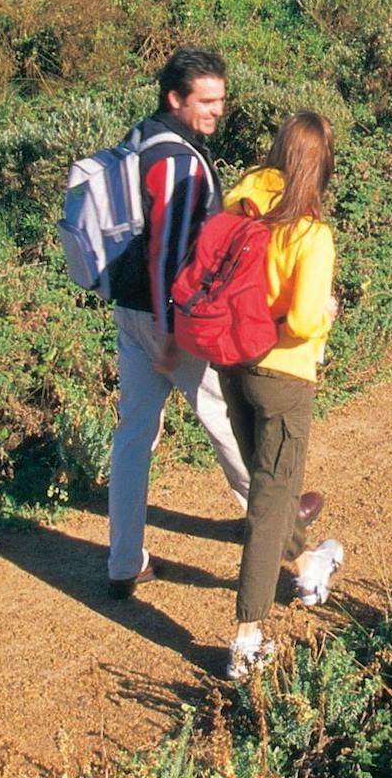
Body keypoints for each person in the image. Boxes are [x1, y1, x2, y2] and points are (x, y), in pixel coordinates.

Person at [104, 47, 321, 599]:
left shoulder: (139, 139)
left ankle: (124, 560)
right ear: (175, 98)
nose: (217, 111)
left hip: (128, 308)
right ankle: (286, 534)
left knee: (133, 434)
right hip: (172, 315)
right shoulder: (179, 161)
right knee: (226, 419)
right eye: (206, 100)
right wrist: (174, 335)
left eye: (221, 99)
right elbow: (169, 255)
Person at [217, 111, 345, 677]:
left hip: (230, 362)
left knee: (270, 486)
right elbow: (299, 317)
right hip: (283, 375)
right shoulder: (310, 235)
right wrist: (326, 316)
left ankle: (305, 564)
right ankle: (247, 635)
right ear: (321, 167)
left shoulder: (237, 205)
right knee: (271, 502)